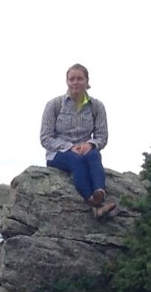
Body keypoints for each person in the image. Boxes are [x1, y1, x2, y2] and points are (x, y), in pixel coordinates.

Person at [40, 64, 113, 217]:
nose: (75, 82)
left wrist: (90, 144)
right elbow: (45, 138)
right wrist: (69, 147)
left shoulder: (97, 106)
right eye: (71, 79)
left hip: (86, 150)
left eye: (79, 78)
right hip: (58, 154)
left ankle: (99, 192)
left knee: (94, 156)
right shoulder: (54, 105)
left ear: (87, 81)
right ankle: (93, 202)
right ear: (67, 81)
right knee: (76, 161)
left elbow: (102, 136)